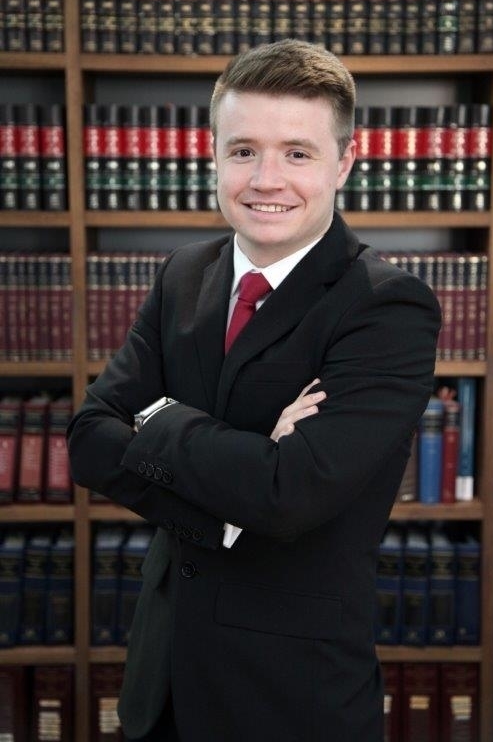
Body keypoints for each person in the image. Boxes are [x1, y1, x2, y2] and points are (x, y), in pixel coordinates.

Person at [67, 39, 441, 742]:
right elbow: (88, 439)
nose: (266, 179)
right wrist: (236, 491)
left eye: (297, 153)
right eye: (243, 151)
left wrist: (155, 419)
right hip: (161, 681)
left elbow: (289, 494)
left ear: (344, 162)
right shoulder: (183, 274)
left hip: (289, 699)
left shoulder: (386, 308)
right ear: (213, 156)